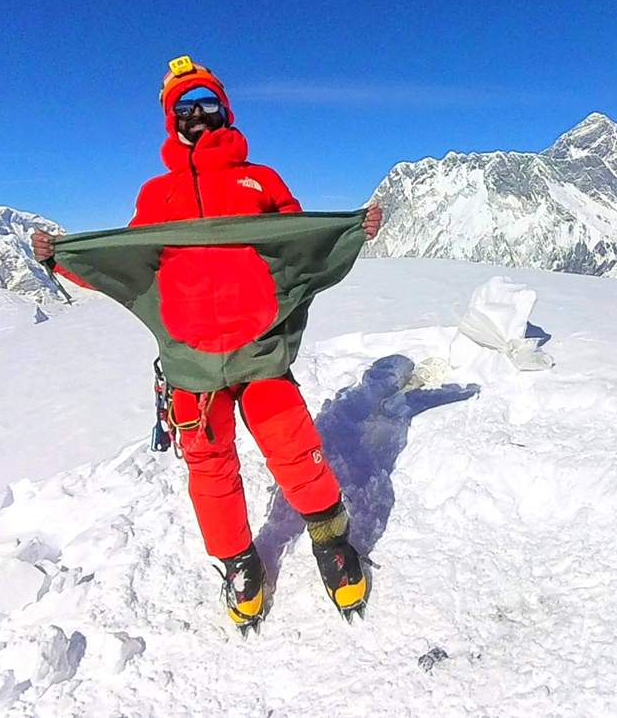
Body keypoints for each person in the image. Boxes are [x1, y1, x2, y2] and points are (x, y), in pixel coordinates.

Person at [32, 57, 383, 633]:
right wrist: (62, 260)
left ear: (225, 110)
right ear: (172, 120)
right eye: (185, 109)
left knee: (293, 446)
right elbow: (130, 261)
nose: (198, 117)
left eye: (207, 105)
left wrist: (350, 232)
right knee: (210, 466)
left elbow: (297, 243)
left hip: (260, 346)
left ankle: (332, 540)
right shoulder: (157, 194)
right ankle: (239, 562)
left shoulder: (261, 180)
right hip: (190, 360)